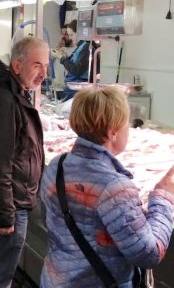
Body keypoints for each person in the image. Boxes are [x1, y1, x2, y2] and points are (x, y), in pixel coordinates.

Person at [40, 87, 174, 287]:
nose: (127, 129)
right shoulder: (115, 188)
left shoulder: (56, 165)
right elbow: (148, 254)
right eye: (125, 123)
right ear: (112, 132)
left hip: (56, 279)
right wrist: (163, 198)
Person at [0, 37, 49, 288]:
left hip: (7, 204)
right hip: (5, 207)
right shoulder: (4, 100)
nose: (44, 74)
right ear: (17, 65)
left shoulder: (13, 94)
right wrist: (6, 215)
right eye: (37, 65)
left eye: (46, 66)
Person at [54, 20, 93, 99]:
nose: (70, 38)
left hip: (78, 91)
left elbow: (77, 70)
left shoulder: (87, 47)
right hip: (72, 90)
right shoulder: (80, 46)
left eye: (71, 35)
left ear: (79, 32)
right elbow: (74, 64)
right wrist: (65, 57)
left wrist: (62, 58)